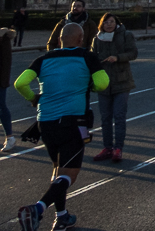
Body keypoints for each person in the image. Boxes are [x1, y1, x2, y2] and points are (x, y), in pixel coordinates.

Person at [15, 22, 109, 231]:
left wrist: (34, 98)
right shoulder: (87, 57)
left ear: (59, 40)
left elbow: (20, 83)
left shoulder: (44, 59)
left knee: (58, 169)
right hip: (73, 122)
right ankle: (37, 209)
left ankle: (62, 216)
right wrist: (90, 85)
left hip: (45, 123)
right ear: (80, 39)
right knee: (69, 174)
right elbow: (102, 83)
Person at [90, 13, 138, 162]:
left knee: (119, 116)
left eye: (111, 22)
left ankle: (118, 148)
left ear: (116, 23)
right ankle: (107, 147)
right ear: (102, 25)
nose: (109, 24)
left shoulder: (125, 35)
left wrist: (117, 58)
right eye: (106, 22)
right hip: (103, 83)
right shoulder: (97, 39)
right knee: (105, 118)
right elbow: (92, 58)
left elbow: (133, 53)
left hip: (121, 82)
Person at [0, 16, 16, 151]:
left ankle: (9, 137)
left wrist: (3, 81)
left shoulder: (2, 36)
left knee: (0, 106)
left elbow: (6, 61)